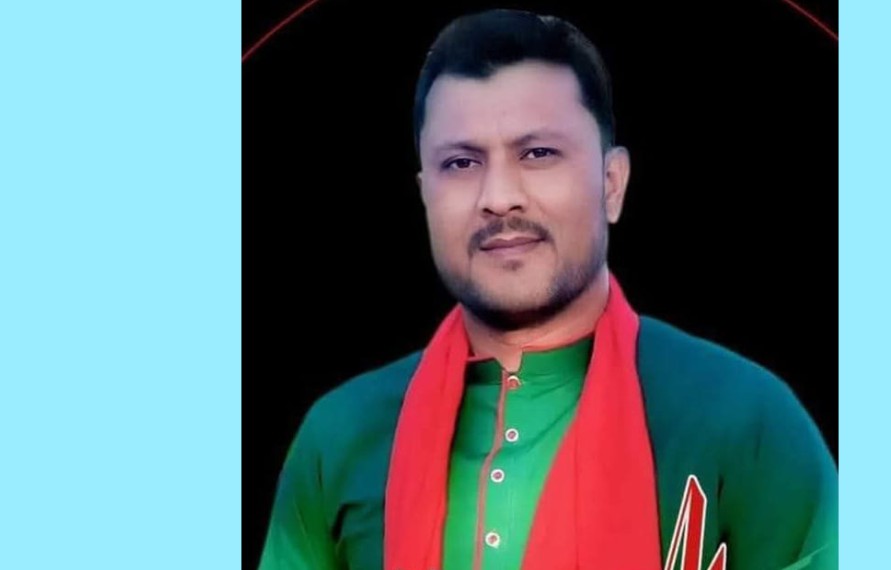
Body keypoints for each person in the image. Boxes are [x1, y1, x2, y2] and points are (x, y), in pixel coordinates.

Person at [257, 8, 837, 570]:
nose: (498, 196)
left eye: (537, 154)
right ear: (425, 193)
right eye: (461, 163)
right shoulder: (342, 434)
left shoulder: (745, 418)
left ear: (612, 184)